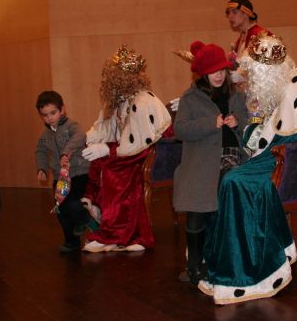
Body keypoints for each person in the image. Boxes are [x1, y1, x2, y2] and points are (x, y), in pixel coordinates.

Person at [199, 33, 297, 305]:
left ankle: (254, 269)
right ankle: (235, 262)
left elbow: (293, 133)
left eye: (254, 73)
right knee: (230, 179)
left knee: (235, 182)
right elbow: (261, 134)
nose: (250, 80)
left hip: (288, 157)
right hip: (271, 152)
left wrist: (259, 129)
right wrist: (256, 117)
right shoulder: (273, 89)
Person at [80, 45, 172, 253]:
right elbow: (105, 128)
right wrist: (86, 140)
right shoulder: (120, 100)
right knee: (100, 162)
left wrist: (108, 150)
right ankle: (99, 211)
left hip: (150, 153)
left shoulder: (143, 100)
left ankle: (118, 234)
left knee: (115, 170)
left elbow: (140, 141)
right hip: (131, 149)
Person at [173, 40, 247, 285]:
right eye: (213, 71)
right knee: (197, 212)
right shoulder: (190, 98)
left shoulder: (237, 95)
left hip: (232, 158)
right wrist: (210, 123)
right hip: (201, 162)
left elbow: (251, 125)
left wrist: (240, 123)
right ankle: (193, 266)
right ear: (203, 73)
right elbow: (180, 130)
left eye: (222, 70)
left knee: (225, 211)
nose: (218, 75)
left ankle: (224, 262)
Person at [35, 91, 92, 252]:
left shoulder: (71, 126)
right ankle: (71, 242)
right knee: (61, 211)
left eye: (53, 113)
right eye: (45, 115)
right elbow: (40, 151)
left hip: (79, 173)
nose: (50, 118)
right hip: (61, 178)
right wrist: (42, 168)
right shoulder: (45, 135)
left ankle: (83, 218)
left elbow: (80, 136)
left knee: (73, 203)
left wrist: (66, 152)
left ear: (62, 110)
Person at [225, 0, 272, 64]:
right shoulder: (242, 37)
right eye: (228, 13)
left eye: (234, 12)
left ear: (246, 14)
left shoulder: (262, 36)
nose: (230, 16)